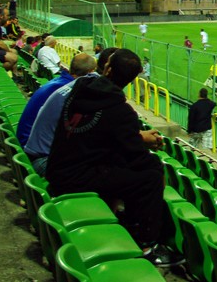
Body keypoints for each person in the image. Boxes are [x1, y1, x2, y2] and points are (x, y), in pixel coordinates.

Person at [46, 48, 182, 268]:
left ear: (106, 67)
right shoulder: (120, 111)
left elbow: (101, 133)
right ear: (133, 78)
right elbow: (135, 156)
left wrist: (136, 139)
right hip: (76, 176)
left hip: (59, 167)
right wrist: (146, 146)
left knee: (131, 168)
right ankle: (146, 245)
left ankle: (130, 222)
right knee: (150, 175)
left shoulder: (80, 89)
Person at [25, 48, 113, 177]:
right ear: (91, 73)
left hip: (35, 149)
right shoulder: (76, 91)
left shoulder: (63, 85)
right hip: (41, 156)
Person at [17, 53, 96, 146]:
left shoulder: (59, 82)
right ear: (91, 73)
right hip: (30, 142)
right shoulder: (68, 90)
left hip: (26, 137)